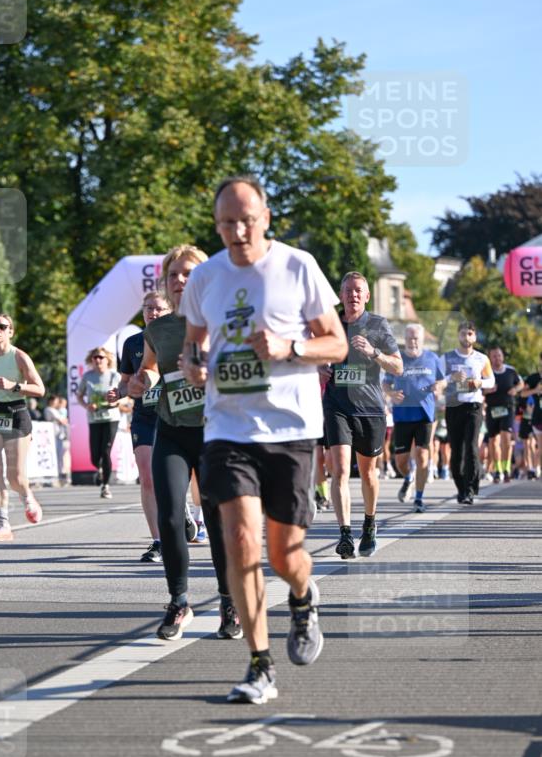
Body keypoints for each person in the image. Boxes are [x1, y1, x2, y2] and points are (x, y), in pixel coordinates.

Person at [180, 175, 347, 704]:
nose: (237, 231)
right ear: (217, 224)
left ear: (266, 217)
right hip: (228, 426)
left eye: (246, 220)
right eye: (226, 222)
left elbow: (337, 344)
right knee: (239, 540)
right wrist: (193, 367)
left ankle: (303, 594)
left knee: (283, 555)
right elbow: (191, 346)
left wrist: (289, 346)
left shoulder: (298, 266)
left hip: (291, 428)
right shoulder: (205, 277)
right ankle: (259, 664)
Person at [129, 245, 239, 642]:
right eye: (174, 274)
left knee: (216, 518)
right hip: (172, 430)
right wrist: (141, 382)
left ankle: (230, 602)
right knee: (171, 516)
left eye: (189, 274)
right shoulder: (157, 329)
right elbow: (148, 373)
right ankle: (179, 601)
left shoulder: (224, 320)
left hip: (214, 432)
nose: (180, 281)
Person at [322, 272, 403, 559]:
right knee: (340, 470)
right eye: (348, 291)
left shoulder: (378, 325)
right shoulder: (329, 323)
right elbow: (311, 354)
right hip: (337, 405)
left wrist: (374, 352)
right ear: (340, 295)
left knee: (368, 472)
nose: (353, 295)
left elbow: (398, 367)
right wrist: (320, 368)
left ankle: (369, 523)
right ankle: (344, 534)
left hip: (369, 408)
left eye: (358, 291)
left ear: (367, 296)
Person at [0, 313, 45, 542]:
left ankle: (27, 495)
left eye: (3, 326)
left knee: (15, 477)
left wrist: (15, 386)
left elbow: (40, 389)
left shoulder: (20, 357)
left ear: (10, 331)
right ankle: (3, 525)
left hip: (15, 413)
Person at [118, 291, 172, 562]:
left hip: (176, 415)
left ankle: (183, 510)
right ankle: (158, 541)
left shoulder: (179, 336)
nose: (153, 313)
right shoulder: (132, 344)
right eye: (149, 309)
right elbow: (125, 381)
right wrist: (117, 392)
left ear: (169, 311)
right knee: (148, 477)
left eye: (159, 309)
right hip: (145, 416)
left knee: (175, 477)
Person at [383, 323, 445, 513]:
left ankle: (419, 497)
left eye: (415, 338)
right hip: (402, 415)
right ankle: (408, 477)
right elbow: (386, 383)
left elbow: (442, 380)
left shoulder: (432, 358)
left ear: (422, 339)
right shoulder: (397, 359)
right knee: (401, 461)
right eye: (409, 338)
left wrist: (438, 388)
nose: (412, 342)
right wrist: (391, 394)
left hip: (425, 414)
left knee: (422, 455)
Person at [439, 321, 495, 504]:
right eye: (463, 333)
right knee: (456, 450)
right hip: (454, 406)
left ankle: (470, 488)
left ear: (475, 337)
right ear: (458, 335)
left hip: (474, 406)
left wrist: (480, 383)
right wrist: (451, 378)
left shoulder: (482, 359)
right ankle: (461, 488)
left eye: (470, 333)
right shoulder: (446, 358)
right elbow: (437, 382)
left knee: (471, 447)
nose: (466, 337)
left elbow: (491, 381)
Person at [76, 347, 122, 498]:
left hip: (111, 418)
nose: (98, 360)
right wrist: (87, 406)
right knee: (94, 456)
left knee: (106, 450)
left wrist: (115, 403)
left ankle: (105, 486)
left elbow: (124, 395)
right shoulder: (88, 376)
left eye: (101, 357)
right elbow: (79, 396)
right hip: (94, 419)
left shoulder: (115, 376)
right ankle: (100, 468)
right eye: (95, 357)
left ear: (107, 359)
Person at [484, 347, 523, 484]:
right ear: (490, 358)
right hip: (492, 409)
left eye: (499, 355)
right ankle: (497, 470)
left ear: (503, 356)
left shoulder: (511, 370)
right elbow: (479, 389)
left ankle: (506, 469)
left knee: (506, 438)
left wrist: (515, 389)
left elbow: (521, 384)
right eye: (494, 356)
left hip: (508, 408)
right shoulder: (486, 372)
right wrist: (487, 390)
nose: (497, 358)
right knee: (493, 441)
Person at [521, 353, 542, 478]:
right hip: (538, 417)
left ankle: (535, 468)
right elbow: (522, 393)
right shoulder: (533, 378)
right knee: (540, 444)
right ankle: (536, 468)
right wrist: (536, 390)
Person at [44, 394, 70, 483]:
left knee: (60, 454)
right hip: (53, 435)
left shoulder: (55, 410)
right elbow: (62, 420)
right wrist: (63, 420)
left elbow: (64, 420)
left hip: (58, 434)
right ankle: (57, 473)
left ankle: (60, 472)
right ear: (51, 401)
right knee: (56, 454)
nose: (57, 403)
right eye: (56, 401)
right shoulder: (49, 409)